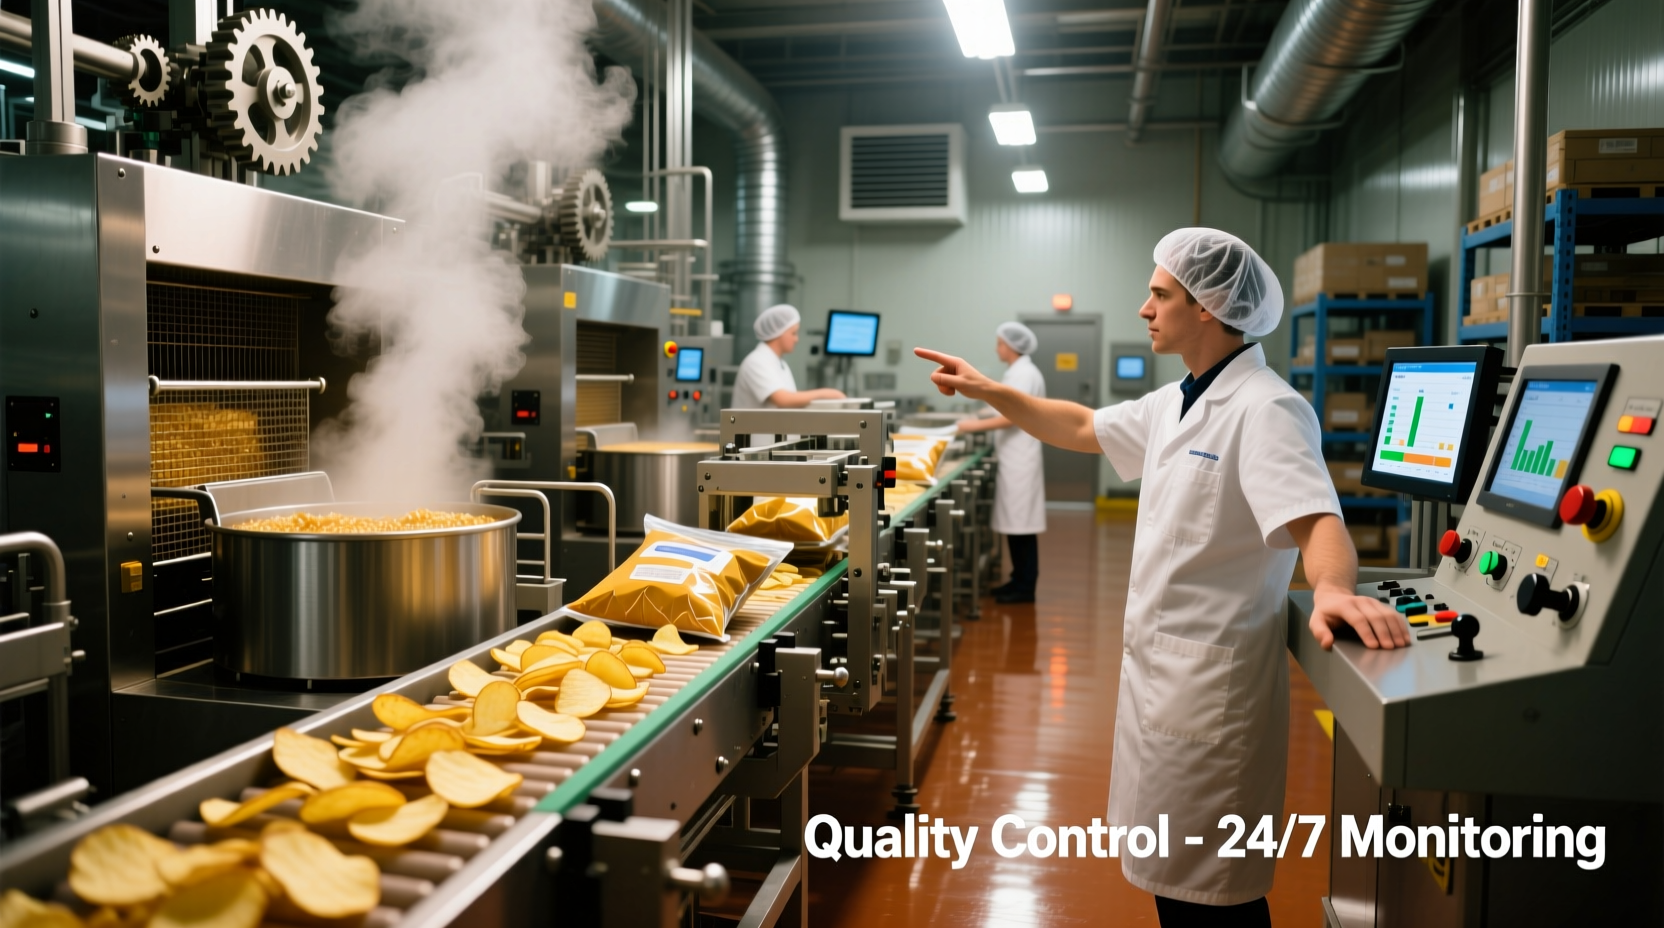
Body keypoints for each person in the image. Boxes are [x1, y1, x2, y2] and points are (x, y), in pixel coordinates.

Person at [916, 228, 1408, 927]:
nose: (1145, 309)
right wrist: (990, 389)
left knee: (1215, 902)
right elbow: (1082, 425)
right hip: (1164, 682)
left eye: (1159, 294)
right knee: (1176, 891)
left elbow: (1317, 521)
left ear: (1207, 306)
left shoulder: (1264, 408)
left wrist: (1331, 587)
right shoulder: (1180, 398)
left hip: (1213, 692)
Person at [955, 322, 1047, 604]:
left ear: (1009, 346)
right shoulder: (1020, 372)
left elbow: (1011, 416)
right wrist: (984, 412)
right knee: (1017, 526)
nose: (997, 348)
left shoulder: (1023, 374)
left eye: (999, 343)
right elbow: (1007, 406)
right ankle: (1018, 580)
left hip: (1020, 460)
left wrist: (970, 426)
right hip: (1015, 458)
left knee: (1021, 528)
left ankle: (1024, 586)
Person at [731, 304, 846, 447]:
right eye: (793, 333)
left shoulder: (780, 364)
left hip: (774, 447)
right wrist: (826, 393)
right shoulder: (756, 361)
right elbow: (783, 399)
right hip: (756, 448)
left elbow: (791, 403)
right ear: (778, 333)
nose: (796, 339)